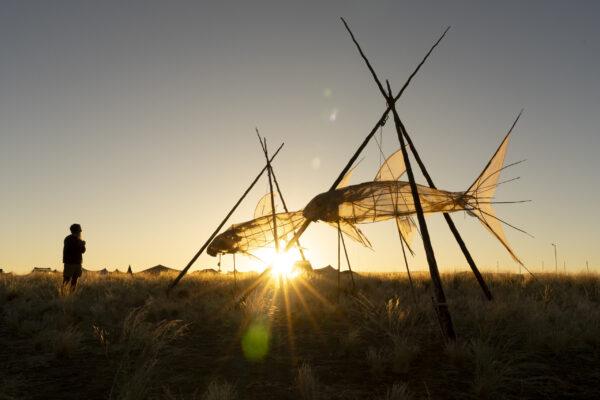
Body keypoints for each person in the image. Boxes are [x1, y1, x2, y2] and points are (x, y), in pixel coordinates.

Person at [63, 223, 86, 289]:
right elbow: (72, 248)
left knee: (75, 280)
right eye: (79, 230)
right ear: (76, 231)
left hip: (78, 263)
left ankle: (72, 295)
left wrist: (83, 245)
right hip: (69, 263)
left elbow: (83, 251)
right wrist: (81, 244)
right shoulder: (68, 239)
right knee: (67, 279)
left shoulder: (78, 240)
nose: (80, 232)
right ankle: (63, 294)